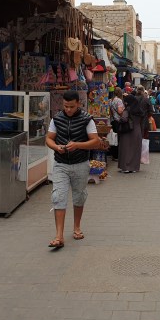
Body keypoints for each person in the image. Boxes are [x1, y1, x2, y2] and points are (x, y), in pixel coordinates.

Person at [45, 90, 102, 249]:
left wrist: (77, 145)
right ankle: (59, 236)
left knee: (79, 196)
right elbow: (49, 138)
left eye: (71, 106)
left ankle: (77, 227)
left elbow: (95, 142)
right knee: (58, 196)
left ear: (78, 104)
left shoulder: (87, 119)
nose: (68, 109)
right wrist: (56, 147)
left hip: (81, 164)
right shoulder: (56, 119)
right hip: (61, 164)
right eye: (65, 106)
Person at [118, 93, 146, 173]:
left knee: (126, 149)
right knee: (135, 149)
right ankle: (134, 167)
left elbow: (124, 119)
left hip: (128, 131)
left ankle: (126, 167)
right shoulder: (139, 110)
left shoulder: (127, 109)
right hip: (137, 131)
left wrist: (119, 119)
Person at [108, 87, 125, 161]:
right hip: (118, 121)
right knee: (118, 138)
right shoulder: (119, 100)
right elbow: (120, 111)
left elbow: (109, 111)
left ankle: (114, 155)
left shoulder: (110, 100)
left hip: (112, 121)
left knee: (113, 137)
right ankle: (117, 156)